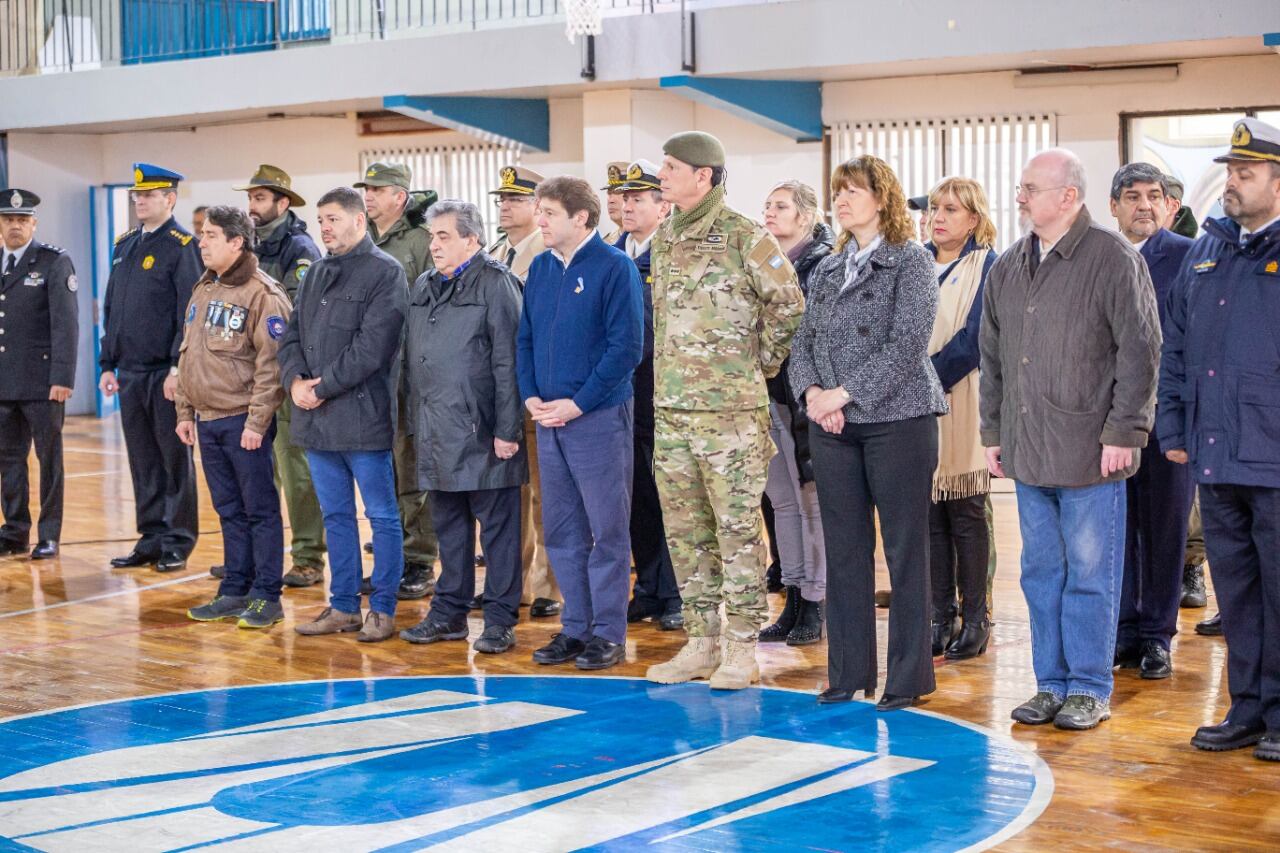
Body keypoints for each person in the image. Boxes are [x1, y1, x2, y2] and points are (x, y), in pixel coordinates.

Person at [981, 149, 1161, 731]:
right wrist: (992, 432)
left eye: (1031, 187)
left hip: (1091, 449)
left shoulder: (1112, 258)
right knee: (1040, 575)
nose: (1021, 196)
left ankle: (1088, 685)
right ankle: (1050, 683)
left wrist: (1126, 431)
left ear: (1068, 196)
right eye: (1021, 187)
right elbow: (992, 357)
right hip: (1028, 448)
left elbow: (1141, 351)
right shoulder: (1008, 264)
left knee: (1090, 574)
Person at [646, 131, 804, 690]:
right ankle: (701, 641)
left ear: (703, 176)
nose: (660, 175)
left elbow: (789, 303)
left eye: (670, 167)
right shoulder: (664, 236)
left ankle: (741, 646)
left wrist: (756, 363)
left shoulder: (743, 235)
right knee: (687, 532)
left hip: (730, 414)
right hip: (673, 411)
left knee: (736, 530)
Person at [789, 155, 944, 710]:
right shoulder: (829, 268)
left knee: (905, 551)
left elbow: (907, 345)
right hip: (832, 425)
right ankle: (847, 671)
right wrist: (813, 396)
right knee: (845, 550)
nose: (843, 200)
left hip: (898, 420)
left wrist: (843, 394)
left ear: (883, 200)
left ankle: (906, 678)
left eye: (854, 191)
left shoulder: (913, 262)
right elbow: (801, 343)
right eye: (839, 192)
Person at [1160, 118, 1280, 761]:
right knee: (1236, 591)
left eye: (1246, 172)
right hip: (1216, 451)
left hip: (1274, 452)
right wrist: (1175, 426)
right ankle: (1249, 708)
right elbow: (1175, 347)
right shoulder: (1207, 253)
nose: (1232, 182)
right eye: (1230, 171)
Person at [518, 175, 643, 670]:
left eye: (548, 213)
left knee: (606, 530)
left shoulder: (615, 268)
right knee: (563, 530)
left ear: (580, 218)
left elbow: (626, 349)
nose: (540, 221)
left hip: (597, 419)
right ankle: (575, 628)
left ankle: (608, 634)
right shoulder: (542, 269)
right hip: (548, 419)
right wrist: (530, 396)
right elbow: (524, 339)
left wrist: (579, 403)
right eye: (539, 212)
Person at [278, 187, 408, 643]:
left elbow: (373, 348)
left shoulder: (385, 273)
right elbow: (291, 335)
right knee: (335, 517)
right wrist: (294, 382)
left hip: (361, 416)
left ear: (358, 221)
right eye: (320, 220)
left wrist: (322, 388)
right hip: (316, 420)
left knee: (382, 516)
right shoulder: (314, 273)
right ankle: (344, 606)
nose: (325, 228)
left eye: (333, 219)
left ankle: (384, 608)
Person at [399, 200, 527, 654]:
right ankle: (449, 613)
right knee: (449, 529)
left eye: (444, 237)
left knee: (498, 534)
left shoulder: (497, 284)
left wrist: (508, 429)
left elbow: (509, 363)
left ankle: (498, 620)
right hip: (435, 430)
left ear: (472, 240)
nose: (434, 245)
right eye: (433, 236)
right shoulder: (423, 285)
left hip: (485, 432)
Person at [177, 206, 292, 629]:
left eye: (210, 235)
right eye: (202, 234)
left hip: (243, 421)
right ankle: (234, 589)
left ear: (236, 242)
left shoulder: (263, 293)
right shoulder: (204, 287)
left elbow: (273, 366)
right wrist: (185, 411)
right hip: (207, 419)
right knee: (228, 510)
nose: (202, 241)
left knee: (259, 510)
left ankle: (266, 596)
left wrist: (257, 423)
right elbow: (189, 354)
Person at [1108, 163, 1195, 680]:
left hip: (1168, 424)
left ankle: (1157, 636)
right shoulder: (1098, 256)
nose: (1143, 204)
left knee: (1164, 531)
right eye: (1132, 196)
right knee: (1115, 530)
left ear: (1169, 206)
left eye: (1154, 195)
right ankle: (1122, 631)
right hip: (1109, 424)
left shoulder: (1188, 258)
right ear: (1115, 205)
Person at [99, 163, 203, 573]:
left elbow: (188, 314)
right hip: (129, 372)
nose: (140, 200)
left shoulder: (182, 246)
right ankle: (152, 534)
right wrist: (107, 362)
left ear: (170, 199)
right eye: (137, 195)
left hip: (164, 373)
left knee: (173, 460)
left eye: (149, 194)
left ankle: (178, 539)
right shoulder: (125, 245)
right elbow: (113, 310)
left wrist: (178, 369)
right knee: (142, 459)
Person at [234, 163, 327, 588]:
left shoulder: (300, 247)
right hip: (249, 376)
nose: (251, 206)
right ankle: (259, 556)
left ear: (282, 203)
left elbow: (291, 312)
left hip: (287, 372)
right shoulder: (246, 247)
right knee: (256, 471)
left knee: (296, 471)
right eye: (250, 198)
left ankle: (308, 556)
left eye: (259, 199)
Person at [355, 162, 439, 601]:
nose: (369, 196)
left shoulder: (421, 241)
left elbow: (434, 302)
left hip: (411, 373)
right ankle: (392, 558)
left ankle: (420, 560)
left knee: (411, 467)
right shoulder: (363, 241)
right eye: (365, 189)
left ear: (400, 197)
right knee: (380, 469)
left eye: (378, 189)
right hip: (373, 373)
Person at [924, 177, 998, 660]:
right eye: (933, 208)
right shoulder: (913, 262)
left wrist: (925, 379)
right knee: (928, 512)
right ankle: (938, 615)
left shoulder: (989, 265)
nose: (938, 217)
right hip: (914, 405)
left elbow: (976, 338)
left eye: (950, 209)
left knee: (966, 512)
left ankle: (976, 618)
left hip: (964, 395)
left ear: (973, 218)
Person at [759, 179, 832, 646]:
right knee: (782, 502)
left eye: (780, 206)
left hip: (806, 397)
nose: (769, 212)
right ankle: (792, 593)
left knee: (812, 504)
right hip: (768, 392)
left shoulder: (821, 264)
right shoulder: (763, 261)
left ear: (804, 216)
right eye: (767, 205)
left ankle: (817, 601)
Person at [486, 165, 560, 618]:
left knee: (545, 494)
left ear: (538, 207)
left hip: (535, 391)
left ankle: (548, 584)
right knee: (508, 494)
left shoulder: (546, 254)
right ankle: (512, 582)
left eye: (515, 199)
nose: (505, 206)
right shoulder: (498, 252)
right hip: (501, 393)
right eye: (502, 199)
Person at [614, 159, 683, 631]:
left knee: (672, 499)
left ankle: (676, 593)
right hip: (623, 395)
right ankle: (649, 589)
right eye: (623, 198)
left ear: (663, 207)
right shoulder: (609, 254)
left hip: (666, 394)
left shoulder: (676, 252)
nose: (627, 206)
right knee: (636, 498)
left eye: (639, 198)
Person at [0, 189, 77, 560]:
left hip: (43, 382)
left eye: (21, 220)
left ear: (33, 223)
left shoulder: (53, 261)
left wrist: (62, 377)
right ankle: (14, 532)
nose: (15, 225)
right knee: (9, 462)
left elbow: (66, 325)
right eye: (8, 219)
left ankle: (49, 535)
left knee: (49, 461)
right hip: (3, 383)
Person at [600, 161, 628, 244]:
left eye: (618, 192)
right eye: (609, 193)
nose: (611, 200)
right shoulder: (606, 243)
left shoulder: (653, 241)